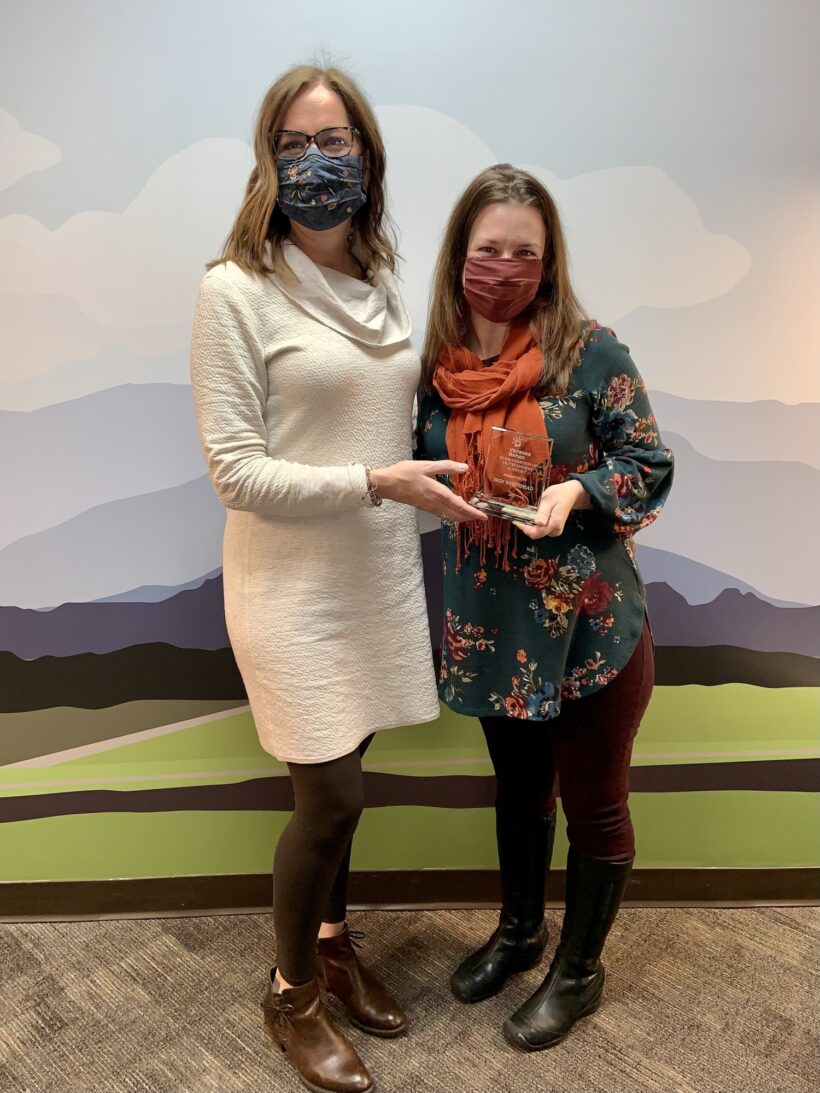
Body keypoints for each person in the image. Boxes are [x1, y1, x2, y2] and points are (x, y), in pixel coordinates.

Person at [189, 64, 485, 1093]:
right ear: (268, 163)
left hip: (375, 572)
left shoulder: (377, 290)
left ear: (368, 155)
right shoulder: (234, 291)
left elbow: (400, 424)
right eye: (296, 143)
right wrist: (375, 479)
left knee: (348, 795)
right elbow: (236, 471)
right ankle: (290, 995)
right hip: (288, 589)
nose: (319, 162)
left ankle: (328, 937)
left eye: (338, 141)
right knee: (330, 797)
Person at [417, 163, 674, 1052]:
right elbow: (420, 463)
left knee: (596, 802)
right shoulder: (442, 365)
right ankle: (521, 932)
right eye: (489, 248)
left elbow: (650, 464)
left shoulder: (589, 349)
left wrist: (581, 491)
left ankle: (579, 969)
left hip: (590, 632)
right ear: (460, 254)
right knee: (522, 791)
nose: (505, 265)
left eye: (524, 251)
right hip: (495, 630)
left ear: (548, 258)